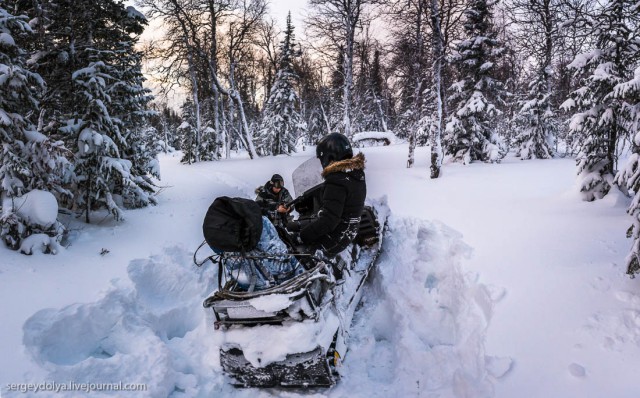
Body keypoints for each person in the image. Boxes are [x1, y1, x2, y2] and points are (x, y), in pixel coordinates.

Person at [288, 133, 366, 256]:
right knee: (297, 226)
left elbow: (328, 221)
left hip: (335, 238)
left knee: (292, 249)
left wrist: (301, 237)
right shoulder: (354, 174)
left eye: (321, 158)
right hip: (347, 231)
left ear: (329, 156)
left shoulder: (336, 180)